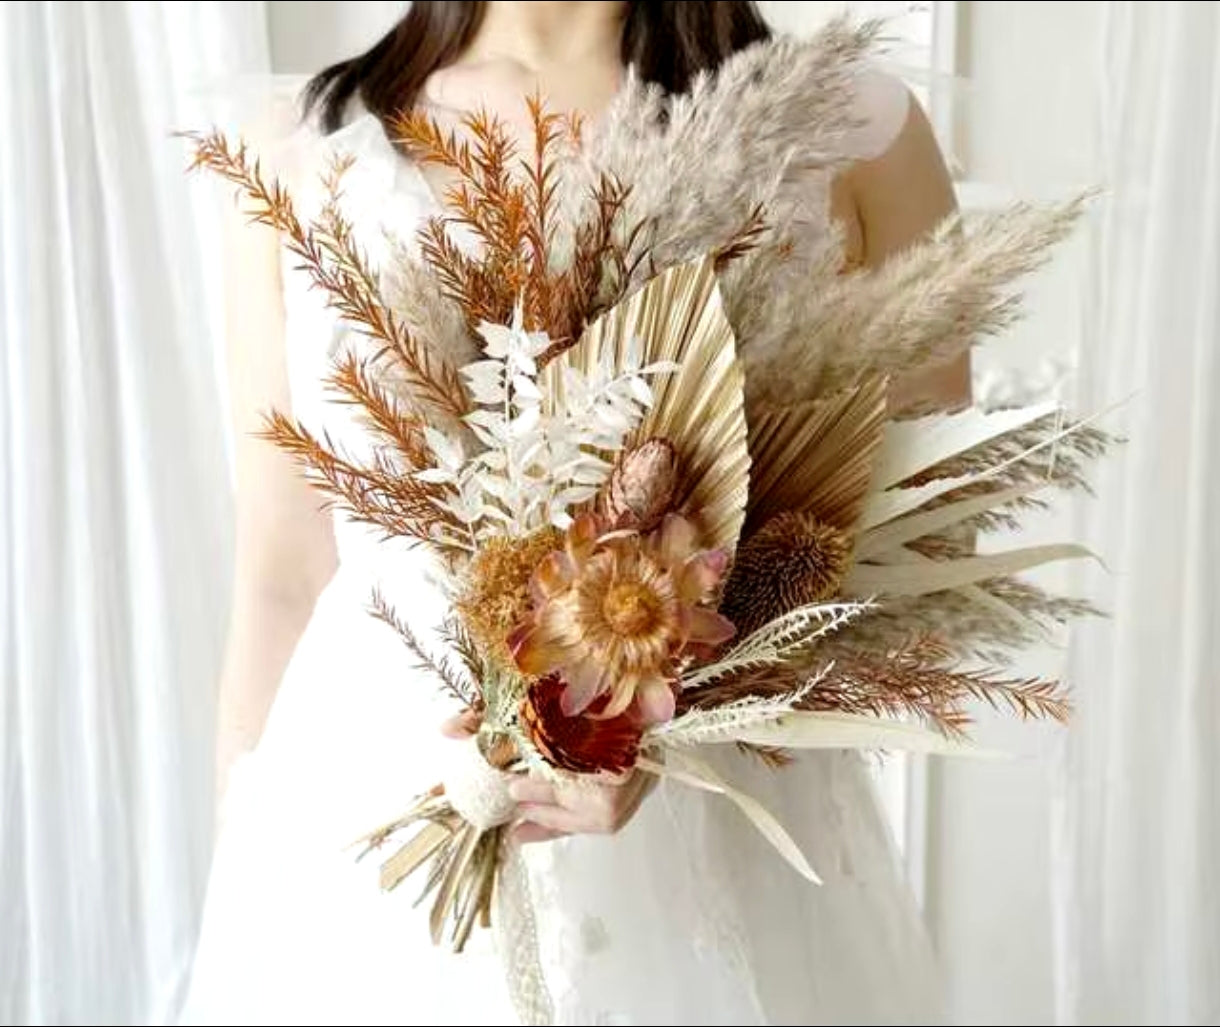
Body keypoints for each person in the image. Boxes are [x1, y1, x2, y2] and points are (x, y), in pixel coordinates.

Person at [183, 3, 965, 1024]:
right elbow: (281, 573)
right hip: (373, 828)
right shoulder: (295, 152)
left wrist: (673, 718)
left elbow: (925, 548)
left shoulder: (855, 130)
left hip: (715, 838)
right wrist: (244, 863)